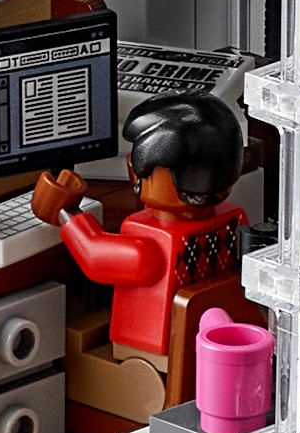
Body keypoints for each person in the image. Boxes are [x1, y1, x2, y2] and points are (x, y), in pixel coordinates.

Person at [31, 91, 248, 360]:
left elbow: (94, 256)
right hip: (213, 348)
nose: (132, 167)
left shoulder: (152, 248)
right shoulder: (233, 223)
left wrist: (65, 212)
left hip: (150, 362)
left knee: (68, 355)